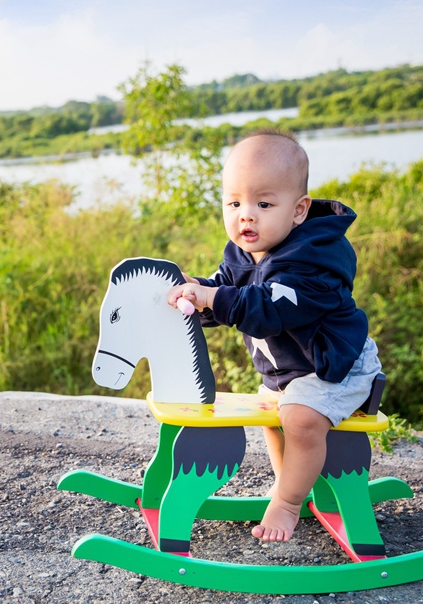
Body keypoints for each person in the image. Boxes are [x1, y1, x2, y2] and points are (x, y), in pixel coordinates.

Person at [166, 128, 381, 543]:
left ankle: (286, 503)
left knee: (298, 420)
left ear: (299, 210)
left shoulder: (313, 262)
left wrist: (215, 297)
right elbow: (226, 291)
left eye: (263, 203)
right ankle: (292, 484)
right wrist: (196, 294)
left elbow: (266, 308)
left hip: (337, 367)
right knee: (275, 418)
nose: (246, 215)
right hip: (292, 372)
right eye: (234, 202)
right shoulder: (245, 252)